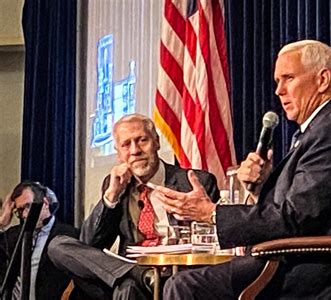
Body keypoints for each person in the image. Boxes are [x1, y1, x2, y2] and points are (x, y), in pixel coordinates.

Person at [156, 40, 331, 299]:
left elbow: (293, 218)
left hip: (316, 271)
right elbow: (304, 209)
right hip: (295, 260)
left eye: (288, 78)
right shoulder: (320, 130)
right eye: (277, 81)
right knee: (184, 281)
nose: (279, 91)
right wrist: (260, 189)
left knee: (184, 286)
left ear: (322, 80)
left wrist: (211, 213)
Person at [47, 113, 220, 299]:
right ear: (118, 153)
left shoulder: (194, 182)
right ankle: (140, 274)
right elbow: (90, 243)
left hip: (176, 278)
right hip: (133, 276)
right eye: (126, 145)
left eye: (142, 140)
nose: (135, 150)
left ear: (157, 142)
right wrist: (111, 197)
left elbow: (213, 242)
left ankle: (137, 275)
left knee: (126, 289)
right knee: (58, 245)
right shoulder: (115, 185)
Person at [0, 181, 79, 300]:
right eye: (20, 210)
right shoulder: (13, 235)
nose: (25, 215)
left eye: (28, 206)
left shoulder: (69, 234)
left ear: (45, 203)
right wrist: (2, 222)